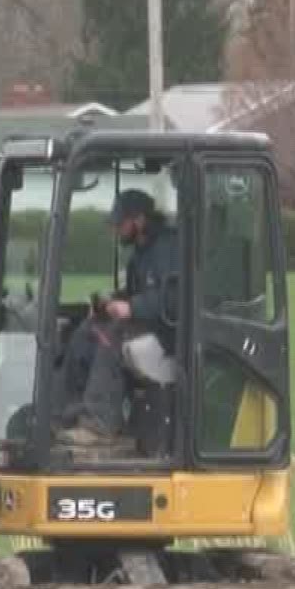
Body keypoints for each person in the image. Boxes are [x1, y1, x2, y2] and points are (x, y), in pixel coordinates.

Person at [59, 188, 182, 449]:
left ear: (138, 220)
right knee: (86, 331)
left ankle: (101, 424)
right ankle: (72, 415)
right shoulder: (141, 251)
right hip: (145, 324)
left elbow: (174, 299)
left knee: (110, 335)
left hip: (169, 334)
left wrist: (132, 307)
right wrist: (111, 301)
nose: (116, 229)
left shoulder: (168, 248)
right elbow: (135, 292)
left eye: (120, 223)